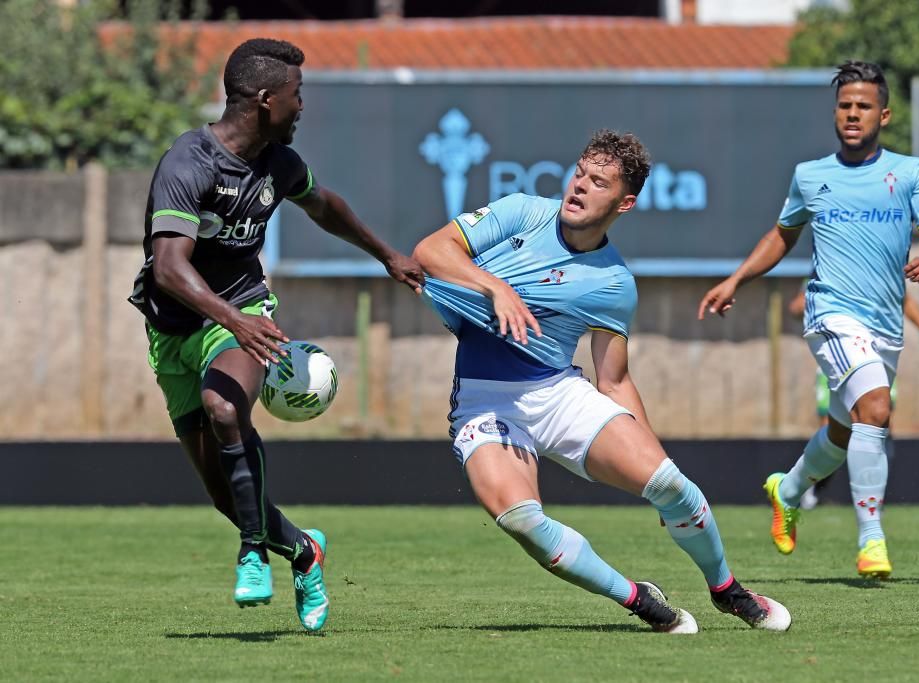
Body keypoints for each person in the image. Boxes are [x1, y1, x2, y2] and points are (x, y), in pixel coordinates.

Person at [413, 130, 791, 633]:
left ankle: (728, 590)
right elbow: (430, 251)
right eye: (579, 174)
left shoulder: (614, 284)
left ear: (625, 202)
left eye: (598, 182)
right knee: (521, 519)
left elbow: (613, 382)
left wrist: (659, 465)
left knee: (671, 487)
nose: (579, 187)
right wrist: (496, 287)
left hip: (558, 394)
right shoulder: (522, 212)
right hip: (485, 402)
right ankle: (638, 600)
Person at [128, 38, 424, 630]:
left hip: (244, 311)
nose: (302, 106)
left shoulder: (278, 163)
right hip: (178, 327)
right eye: (297, 95)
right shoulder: (190, 163)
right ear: (265, 100)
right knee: (225, 495)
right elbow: (168, 267)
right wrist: (230, 318)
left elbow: (324, 205)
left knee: (224, 407)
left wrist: (386, 254)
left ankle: (252, 553)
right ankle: (304, 552)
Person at [699, 61, 919, 578]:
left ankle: (787, 489)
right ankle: (872, 539)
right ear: (835, 114)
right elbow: (782, 235)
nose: (852, 114)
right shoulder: (810, 175)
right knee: (877, 410)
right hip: (831, 314)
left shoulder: (910, 173)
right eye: (844, 106)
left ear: (883, 114)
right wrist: (736, 279)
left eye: (863, 106)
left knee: (845, 431)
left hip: (885, 325)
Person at [788, 289, 919, 509]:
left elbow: (906, 300)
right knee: (835, 430)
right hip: (840, 355)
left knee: (882, 422)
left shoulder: (886, 266)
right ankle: (804, 488)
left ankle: (872, 500)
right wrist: (799, 306)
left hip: (879, 358)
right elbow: (799, 304)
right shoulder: (827, 265)